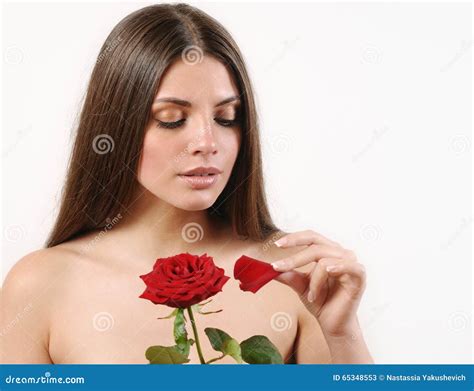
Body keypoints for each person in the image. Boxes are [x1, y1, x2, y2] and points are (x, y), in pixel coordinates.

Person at [1, 3, 372, 364]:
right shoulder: (39, 285)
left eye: (227, 117)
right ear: (115, 127)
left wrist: (343, 335)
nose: (207, 143)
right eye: (172, 118)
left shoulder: (293, 276)